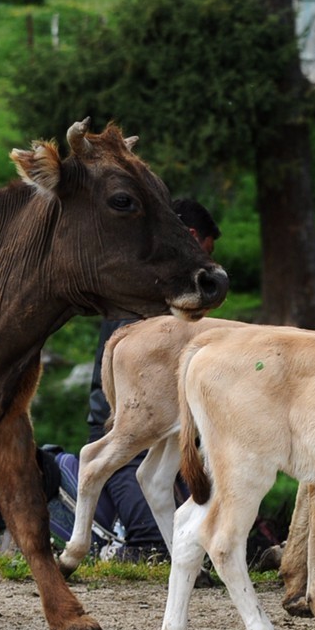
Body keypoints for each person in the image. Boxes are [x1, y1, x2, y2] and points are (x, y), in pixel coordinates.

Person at [85, 198, 221, 561]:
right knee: (132, 479)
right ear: (191, 236)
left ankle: (180, 553)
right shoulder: (157, 288)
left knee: (163, 474)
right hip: (133, 408)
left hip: (134, 404)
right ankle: (147, 547)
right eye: (206, 251)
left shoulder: (138, 274)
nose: (207, 264)